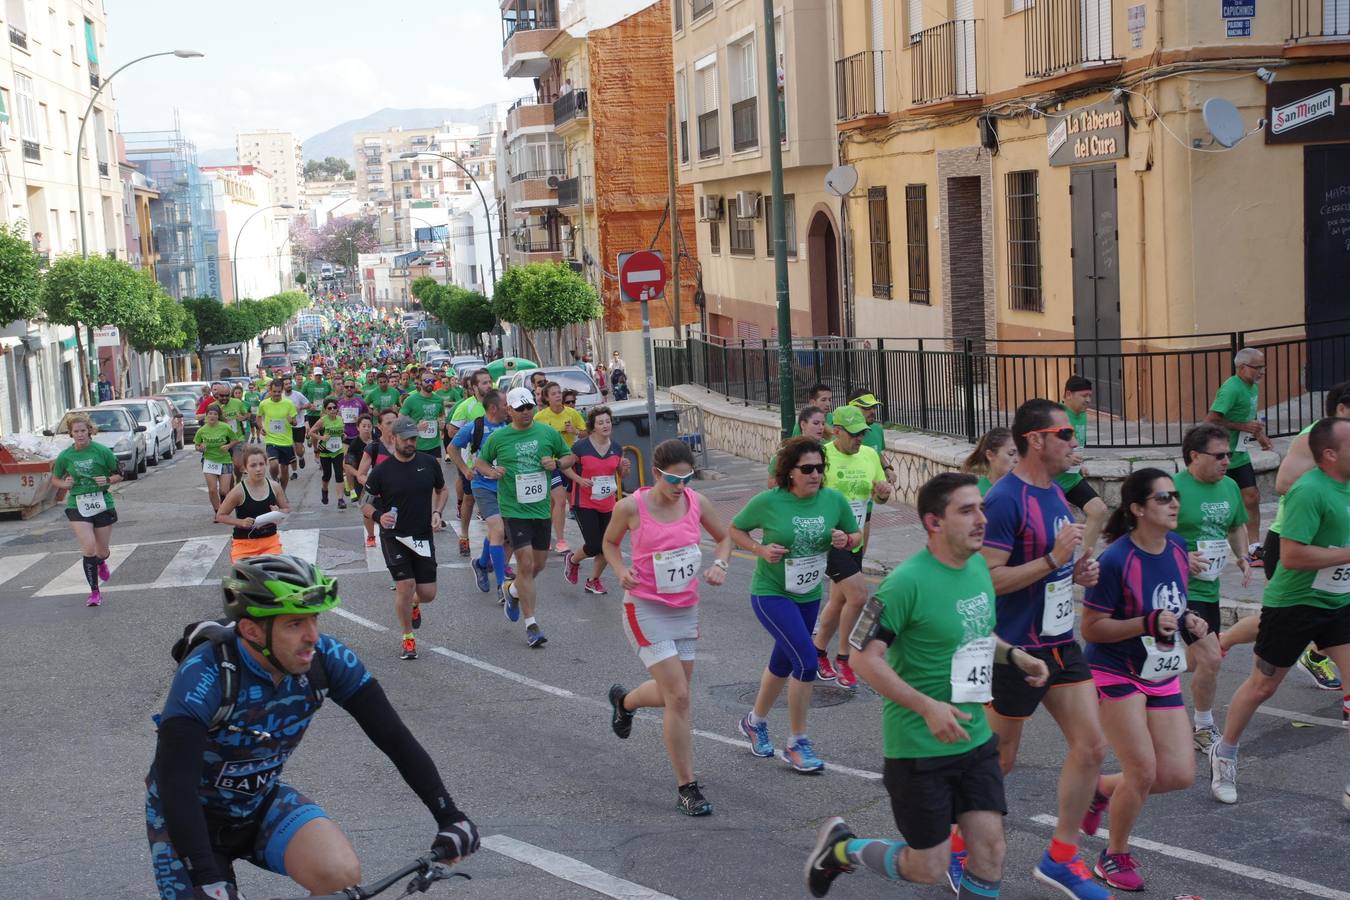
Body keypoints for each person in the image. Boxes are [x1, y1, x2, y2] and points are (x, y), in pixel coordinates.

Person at [146, 555, 479, 900]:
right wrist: (205, 876)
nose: (312, 636)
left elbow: (393, 737)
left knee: (340, 872)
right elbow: (176, 784)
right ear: (251, 630)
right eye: (294, 625)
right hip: (187, 819)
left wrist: (449, 815)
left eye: (314, 619)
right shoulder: (207, 673)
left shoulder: (326, 660)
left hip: (258, 803)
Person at [803, 473, 1048, 900]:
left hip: (973, 737)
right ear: (934, 522)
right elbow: (861, 655)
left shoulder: (976, 566)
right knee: (928, 867)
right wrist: (926, 707)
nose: (981, 520)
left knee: (990, 851)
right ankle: (842, 849)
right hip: (919, 748)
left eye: (982, 509)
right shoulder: (904, 584)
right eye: (967, 511)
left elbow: (972, 634)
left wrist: (1014, 655)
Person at [980, 398, 1108, 900]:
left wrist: (1073, 572)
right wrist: (1052, 559)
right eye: (1067, 434)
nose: (1075, 444)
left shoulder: (1055, 494)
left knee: (1093, 746)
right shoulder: (1005, 499)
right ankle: (958, 843)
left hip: (1058, 642)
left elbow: (1048, 568)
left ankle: (1060, 856)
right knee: (1000, 758)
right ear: (1036, 439)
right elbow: (988, 579)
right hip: (1014, 649)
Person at [1209, 416, 1350, 810]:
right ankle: (1225, 751)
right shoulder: (1309, 491)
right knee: (1263, 686)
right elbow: (1293, 555)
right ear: (1330, 454)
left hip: (1338, 601)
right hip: (1295, 603)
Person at [1079, 468, 1206, 891]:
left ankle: (1099, 790)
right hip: (1114, 670)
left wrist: (1188, 621)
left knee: (1177, 774)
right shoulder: (1116, 560)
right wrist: (1146, 622)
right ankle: (1114, 855)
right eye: (1163, 497)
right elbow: (1093, 629)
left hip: (1159, 670)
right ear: (1137, 509)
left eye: (1175, 496)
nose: (1174, 503)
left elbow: (1171, 605)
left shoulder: (1176, 547)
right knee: (1143, 769)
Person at [603, 439, 732, 816]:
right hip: (645, 609)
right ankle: (687, 788)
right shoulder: (631, 507)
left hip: (684, 608)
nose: (681, 487)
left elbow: (723, 540)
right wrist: (620, 570)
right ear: (656, 474)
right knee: (678, 697)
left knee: (674, 694)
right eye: (674, 480)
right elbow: (609, 544)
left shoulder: (696, 503)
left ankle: (624, 702)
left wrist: (720, 566)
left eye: (688, 479)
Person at [731, 436, 861, 773]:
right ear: (790, 472)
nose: (815, 474)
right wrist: (759, 550)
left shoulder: (833, 500)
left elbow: (854, 534)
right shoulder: (769, 502)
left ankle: (754, 721)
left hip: (808, 595)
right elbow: (736, 529)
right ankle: (797, 743)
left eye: (819, 468)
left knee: (783, 661)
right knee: (805, 661)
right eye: (807, 469)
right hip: (771, 593)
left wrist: (846, 540)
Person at [1258, 383, 1350, 691]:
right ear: (1341, 410)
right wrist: (1331, 484)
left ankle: (1316, 655)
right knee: (1286, 614)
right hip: (1296, 538)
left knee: (1327, 612)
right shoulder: (1315, 436)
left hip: (1335, 544)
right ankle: (1225, 639)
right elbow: (1283, 483)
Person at [475, 387, 575, 648]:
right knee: (526, 564)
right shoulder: (500, 438)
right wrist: (492, 471)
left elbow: (569, 455)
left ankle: (513, 591)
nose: (526, 411)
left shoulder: (546, 432)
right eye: (520, 408)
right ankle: (531, 625)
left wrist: (558, 464)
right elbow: (480, 463)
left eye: (529, 406)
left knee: (538, 566)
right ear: (509, 410)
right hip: (513, 510)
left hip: (540, 510)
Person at [1172, 423, 1251, 751]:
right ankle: (1203, 727)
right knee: (1212, 658)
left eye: (1229, 455)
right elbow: (1143, 535)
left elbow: (1236, 526)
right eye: (1219, 455)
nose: (1226, 461)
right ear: (1194, 456)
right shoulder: (1171, 488)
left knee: (1194, 661)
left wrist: (1243, 556)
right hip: (1175, 589)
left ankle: (1149, 673)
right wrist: (1179, 555)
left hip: (1208, 588)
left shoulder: (1230, 486)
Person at [811, 406, 892, 690]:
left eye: (863, 433)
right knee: (858, 596)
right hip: (830, 540)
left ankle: (816, 652)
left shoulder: (870, 455)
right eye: (854, 434)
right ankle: (844, 657)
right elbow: (809, 496)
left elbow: (877, 497)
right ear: (837, 431)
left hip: (855, 538)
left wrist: (882, 494)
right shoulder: (822, 457)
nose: (860, 438)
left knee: (839, 600)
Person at [363, 416, 448, 661]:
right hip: (394, 536)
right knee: (404, 585)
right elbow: (364, 504)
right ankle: (408, 638)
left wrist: (437, 512)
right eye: (406, 438)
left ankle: (414, 603)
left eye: (414, 438)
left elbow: (442, 490)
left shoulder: (429, 463)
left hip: (422, 535)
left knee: (428, 593)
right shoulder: (381, 471)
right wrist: (379, 516)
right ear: (394, 438)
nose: (411, 442)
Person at [1206, 348, 1273, 564]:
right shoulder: (1231, 389)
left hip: (1240, 454)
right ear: (1242, 368)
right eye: (1258, 367)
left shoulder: (1252, 386)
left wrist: (1260, 435)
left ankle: (1254, 548)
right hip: (1221, 455)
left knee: (1252, 496)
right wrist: (1242, 426)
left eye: (1263, 366)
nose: (1262, 371)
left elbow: (1249, 415)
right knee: (1217, 503)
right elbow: (1211, 419)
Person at [52, 412, 122, 607]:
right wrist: (65, 484)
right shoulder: (66, 456)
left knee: (102, 551)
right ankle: (94, 592)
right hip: (77, 504)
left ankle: (101, 561)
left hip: (101, 503)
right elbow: (55, 479)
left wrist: (108, 479)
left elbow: (119, 474)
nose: (80, 434)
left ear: (89, 431)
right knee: (89, 547)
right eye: (76, 431)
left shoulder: (102, 451)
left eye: (83, 430)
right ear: (71, 434)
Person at [451, 390, 512, 600]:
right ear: (494, 408)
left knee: (500, 533)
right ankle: (502, 585)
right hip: (482, 485)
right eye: (506, 404)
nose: (509, 407)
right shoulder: (474, 427)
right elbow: (452, 448)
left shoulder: (509, 426)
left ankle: (481, 563)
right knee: (498, 528)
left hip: (506, 487)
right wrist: (464, 469)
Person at [564, 405, 630, 594]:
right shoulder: (581, 446)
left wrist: (625, 467)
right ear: (592, 426)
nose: (605, 425)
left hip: (608, 503)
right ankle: (573, 560)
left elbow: (621, 475)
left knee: (607, 546)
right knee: (594, 545)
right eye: (600, 422)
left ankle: (593, 580)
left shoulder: (617, 448)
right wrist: (579, 480)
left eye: (608, 421)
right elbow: (565, 466)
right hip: (584, 502)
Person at [1054, 376, 1109, 553]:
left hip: (1072, 478)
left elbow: (1075, 447)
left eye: (1090, 396)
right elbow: (1045, 451)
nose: (1088, 400)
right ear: (1068, 394)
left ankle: (1087, 557)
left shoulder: (1082, 415)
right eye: (1084, 395)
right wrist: (1065, 459)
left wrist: (1078, 465)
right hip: (1053, 482)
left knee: (1098, 510)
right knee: (1058, 527)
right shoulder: (1056, 416)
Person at [447, 368, 494, 558]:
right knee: (469, 500)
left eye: (490, 381)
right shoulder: (466, 406)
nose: (489, 385)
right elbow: (451, 432)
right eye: (484, 382)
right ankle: (464, 536)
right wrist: (472, 433)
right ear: (474, 387)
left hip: (496, 466)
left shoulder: (497, 404)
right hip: (472, 464)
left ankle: (495, 542)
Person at [536, 380, 587, 555]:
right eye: (554, 393)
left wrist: (575, 431)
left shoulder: (572, 413)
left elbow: (587, 432)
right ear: (547, 398)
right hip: (551, 464)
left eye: (559, 392)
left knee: (553, 502)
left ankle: (545, 536)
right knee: (558, 500)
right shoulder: (540, 417)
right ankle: (561, 541)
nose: (558, 395)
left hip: (568, 460)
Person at [217, 445, 291, 562]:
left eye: (261, 464)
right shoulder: (238, 491)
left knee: (275, 576)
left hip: (270, 542)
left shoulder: (275, 487)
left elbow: (286, 509)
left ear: (266, 464)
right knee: (244, 578)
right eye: (253, 465)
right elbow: (220, 516)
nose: (258, 469)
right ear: (245, 469)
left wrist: (278, 512)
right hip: (244, 545)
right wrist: (240, 522)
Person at [194, 404, 240, 516]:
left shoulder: (225, 427)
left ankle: (223, 508)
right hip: (209, 461)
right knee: (212, 489)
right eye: (210, 413)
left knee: (224, 491)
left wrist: (228, 446)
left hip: (224, 460)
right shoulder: (202, 430)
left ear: (218, 416)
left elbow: (235, 440)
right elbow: (197, 445)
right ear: (206, 415)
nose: (212, 416)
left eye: (215, 414)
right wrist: (200, 448)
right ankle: (218, 512)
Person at [256, 379, 299, 490]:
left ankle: (282, 491)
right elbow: (259, 417)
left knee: (284, 469)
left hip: (286, 441)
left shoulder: (288, 404)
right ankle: (274, 480)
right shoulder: (264, 404)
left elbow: (295, 422)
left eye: (279, 392)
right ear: (270, 390)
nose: (276, 394)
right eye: (274, 391)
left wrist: (292, 421)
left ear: (282, 391)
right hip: (271, 440)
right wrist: (261, 428)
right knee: (274, 464)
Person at [307, 398, 348, 508]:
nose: (332, 410)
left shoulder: (340, 419)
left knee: (339, 474)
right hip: (325, 451)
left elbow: (341, 432)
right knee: (327, 475)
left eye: (334, 407)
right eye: (329, 408)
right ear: (325, 410)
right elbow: (311, 432)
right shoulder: (322, 420)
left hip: (338, 450)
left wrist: (343, 435)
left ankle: (340, 500)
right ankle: (324, 491)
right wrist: (321, 437)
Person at [344, 414, 376, 545]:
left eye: (369, 426)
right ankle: (371, 536)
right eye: (364, 426)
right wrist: (358, 474)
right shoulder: (355, 445)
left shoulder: (378, 441)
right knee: (367, 510)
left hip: (380, 480)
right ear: (358, 428)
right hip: (362, 482)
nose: (367, 428)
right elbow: (346, 465)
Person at [335, 379, 369, 500]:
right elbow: (333, 420)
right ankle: (353, 490)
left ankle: (352, 482)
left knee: (358, 464)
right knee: (348, 464)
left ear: (355, 388)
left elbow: (367, 416)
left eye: (351, 387)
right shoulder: (338, 403)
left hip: (358, 438)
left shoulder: (360, 402)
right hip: (345, 439)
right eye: (347, 386)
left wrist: (361, 422)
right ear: (343, 388)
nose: (349, 389)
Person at [962, 427, 1019, 496]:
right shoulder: (979, 496)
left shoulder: (1025, 488)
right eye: (1011, 454)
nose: (1018, 459)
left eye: (1020, 453)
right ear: (990, 455)